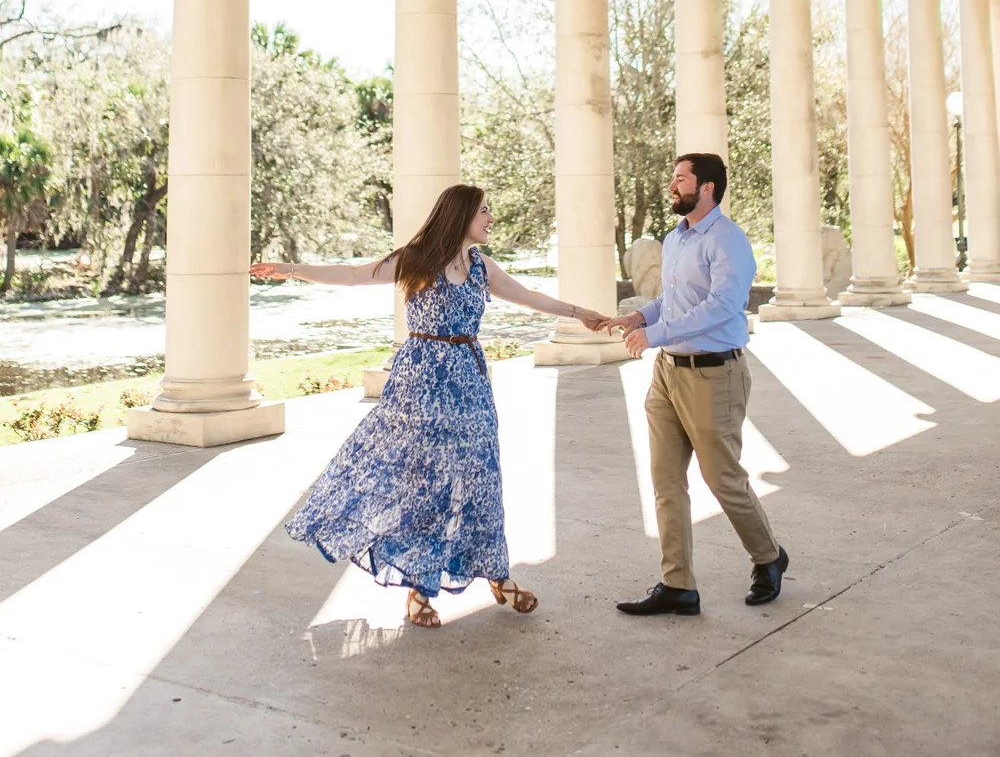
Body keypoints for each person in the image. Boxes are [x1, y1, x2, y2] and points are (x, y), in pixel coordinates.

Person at [250, 183, 611, 628]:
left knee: (481, 477)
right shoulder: (415, 259)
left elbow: (532, 298)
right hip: (420, 383)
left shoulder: (481, 267)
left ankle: (497, 573)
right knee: (425, 484)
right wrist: (291, 269)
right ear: (461, 216)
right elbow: (353, 273)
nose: (490, 218)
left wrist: (581, 313)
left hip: (471, 382)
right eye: (484, 211)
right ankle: (420, 592)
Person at [604, 153, 788, 617]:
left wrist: (656, 334)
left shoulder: (728, 241)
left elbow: (722, 307)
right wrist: (640, 316)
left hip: (714, 375)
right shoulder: (676, 238)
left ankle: (768, 557)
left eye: (680, 179)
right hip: (668, 373)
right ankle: (678, 585)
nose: (672, 185)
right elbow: (676, 298)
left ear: (706, 187)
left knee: (722, 478)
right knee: (666, 479)